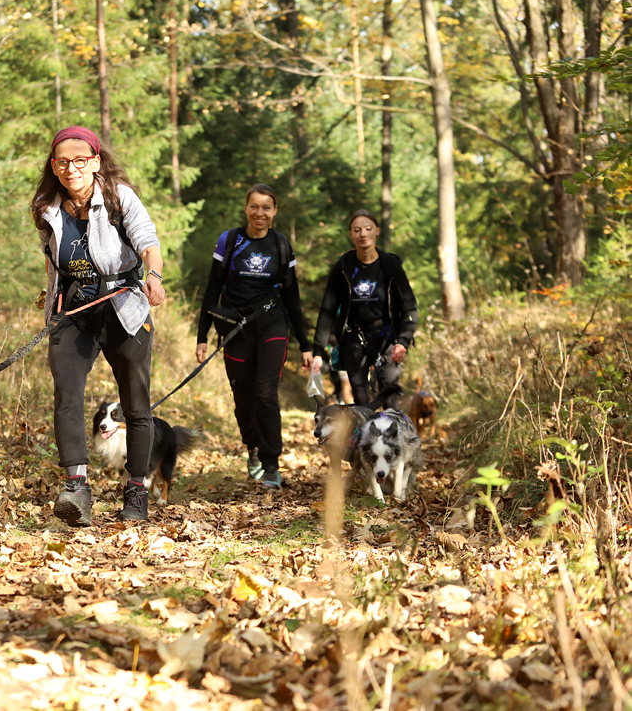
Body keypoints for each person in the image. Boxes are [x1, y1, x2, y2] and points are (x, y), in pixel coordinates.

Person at [32, 126, 166, 526]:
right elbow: (52, 261)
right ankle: (77, 488)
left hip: (123, 307)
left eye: (79, 160)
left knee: (136, 404)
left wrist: (154, 275)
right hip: (73, 312)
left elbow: (148, 243)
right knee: (67, 394)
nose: (70, 168)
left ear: (95, 161)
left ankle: (136, 488)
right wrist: (51, 306)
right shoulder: (47, 207)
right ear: (53, 166)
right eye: (62, 162)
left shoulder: (118, 197)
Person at [195, 184, 313, 488]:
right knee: (244, 397)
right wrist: (202, 336)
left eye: (266, 207)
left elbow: (293, 297)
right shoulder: (230, 241)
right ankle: (253, 448)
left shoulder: (281, 245)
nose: (260, 213)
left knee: (266, 392)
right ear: (246, 208)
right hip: (236, 328)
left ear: (275, 211)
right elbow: (211, 290)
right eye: (254, 206)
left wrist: (306, 345)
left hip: (273, 325)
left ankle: (271, 463)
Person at [311, 209, 418, 409]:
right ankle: (366, 430)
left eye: (368, 229)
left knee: (389, 397)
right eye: (357, 230)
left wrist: (403, 341)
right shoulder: (343, 267)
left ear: (377, 231)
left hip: (387, 338)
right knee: (361, 401)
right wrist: (317, 351)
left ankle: (392, 429)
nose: (363, 234)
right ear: (351, 234)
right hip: (354, 339)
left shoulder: (391, 265)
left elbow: (409, 308)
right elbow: (327, 310)